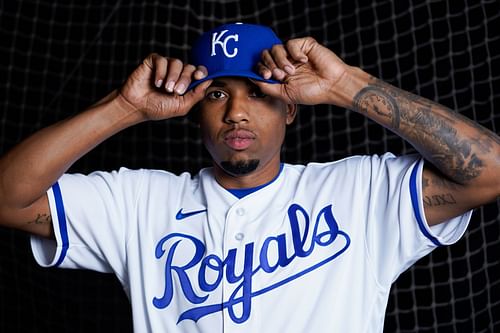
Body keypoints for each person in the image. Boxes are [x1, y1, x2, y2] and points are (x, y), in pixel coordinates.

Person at [0, 22, 498, 332]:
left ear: (290, 109)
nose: (237, 112)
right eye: (218, 93)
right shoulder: (137, 202)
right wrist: (125, 107)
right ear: (194, 108)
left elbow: (488, 171)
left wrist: (348, 84)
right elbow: (8, 199)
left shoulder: (362, 193)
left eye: (258, 93)